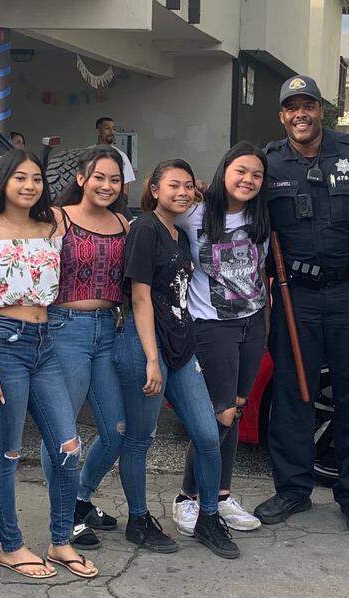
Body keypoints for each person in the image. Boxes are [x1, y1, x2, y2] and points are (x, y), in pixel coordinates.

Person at [254, 75, 349, 534]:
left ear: (321, 110)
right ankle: (292, 490)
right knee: (294, 393)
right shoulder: (268, 162)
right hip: (294, 295)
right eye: (292, 107)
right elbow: (235, 207)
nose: (301, 114)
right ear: (282, 116)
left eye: (309, 105)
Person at [0, 148, 98, 579]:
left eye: (37, 178)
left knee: (68, 447)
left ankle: (61, 542)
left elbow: (96, 200)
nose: (29, 185)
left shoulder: (53, 225)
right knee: (7, 453)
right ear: (3, 181)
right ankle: (11, 545)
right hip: (4, 344)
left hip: (48, 342)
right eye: (20, 177)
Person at [115, 159, 239, 559]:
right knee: (139, 438)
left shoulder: (179, 232)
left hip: (182, 348)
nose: (183, 193)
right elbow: (139, 296)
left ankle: (207, 517)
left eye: (188, 186)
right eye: (173, 186)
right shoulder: (145, 229)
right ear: (153, 189)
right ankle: (138, 519)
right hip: (146, 346)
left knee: (207, 435)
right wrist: (152, 359)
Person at [170, 142, 269, 536]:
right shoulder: (192, 215)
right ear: (224, 171)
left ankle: (222, 495)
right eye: (240, 171)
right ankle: (188, 497)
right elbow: (150, 222)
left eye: (257, 175)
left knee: (236, 412)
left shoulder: (261, 217)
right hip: (212, 326)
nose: (248, 180)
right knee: (218, 414)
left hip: (254, 322)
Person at [46, 146, 130, 550]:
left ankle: (80, 498)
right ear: (81, 178)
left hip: (108, 330)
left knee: (117, 431)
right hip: (65, 329)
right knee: (63, 433)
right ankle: (61, 515)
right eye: (99, 177)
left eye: (114, 179)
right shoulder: (57, 219)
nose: (107, 186)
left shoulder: (123, 224)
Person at [95, 116, 136, 184]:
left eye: (113, 129)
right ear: (98, 131)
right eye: (107, 128)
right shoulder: (88, 154)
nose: (111, 132)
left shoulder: (121, 156)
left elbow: (125, 184)